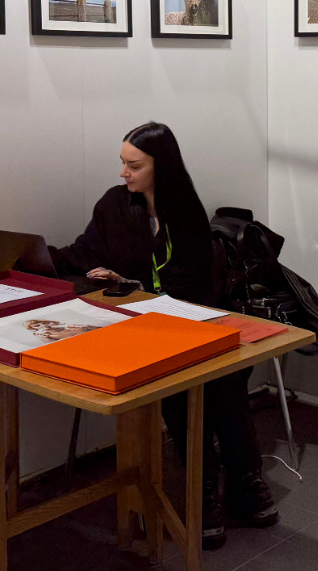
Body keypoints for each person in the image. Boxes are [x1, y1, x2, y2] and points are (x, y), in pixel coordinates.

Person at [50, 122, 275, 549]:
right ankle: (213, 486)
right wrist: (37, 261)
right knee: (187, 383)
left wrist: (136, 286)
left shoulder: (186, 214)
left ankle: (236, 482)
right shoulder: (114, 206)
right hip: (140, 328)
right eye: (123, 163)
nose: (124, 173)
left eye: (134, 165)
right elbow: (82, 254)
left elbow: (195, 287)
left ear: (161, 166)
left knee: (219, 379)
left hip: (191, 320)